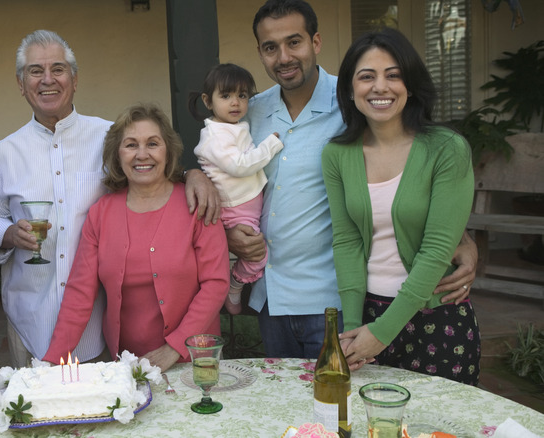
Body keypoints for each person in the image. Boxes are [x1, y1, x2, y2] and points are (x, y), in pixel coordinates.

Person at [226, 0, 478, 359]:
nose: (284, 57)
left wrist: (463, 239)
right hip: (273, 294)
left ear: (316, 42)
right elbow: (218, 165)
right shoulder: (248, 111)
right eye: (271, 47)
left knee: (346, 410)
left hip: (340, 298)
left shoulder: (356, 101)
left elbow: (411, 178)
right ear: (260, 53)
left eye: (294, 42)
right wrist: (196, 181)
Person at [0, 30, 219, 367]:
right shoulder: (2, 154)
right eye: (35, 71)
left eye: (58, 69)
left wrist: (193, 174)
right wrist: (7, 233)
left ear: (75, 79)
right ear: (21, 83)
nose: (47, 79)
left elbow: (151, 168)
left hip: (99, 328)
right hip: (29, 315)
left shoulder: (109, 136)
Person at [322, 27, 480, 384]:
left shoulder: (447, 149)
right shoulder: (337, 154)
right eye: (367, 77)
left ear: (410, 84)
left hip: (438, 318)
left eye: (393, 75)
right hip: (367, 316)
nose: (381, 87)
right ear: (350, 88)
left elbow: (438, 248)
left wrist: (384, 331)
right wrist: (352, 331)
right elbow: (346, 241)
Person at [42, 103, 229, 372]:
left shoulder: (197, 203)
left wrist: (174, 348)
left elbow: (216, 283)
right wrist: (52, 361)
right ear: (117, 154)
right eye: (131, 145)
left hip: (192, 359)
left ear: (168, 150)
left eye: (153, 143)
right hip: (128, 365)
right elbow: (80, 292)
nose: (142, 154)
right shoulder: (101, 214)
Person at [188, 63, 283, 315]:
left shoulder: (234, 126)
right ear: (208, 101)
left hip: (247, 202)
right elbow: (240, 166)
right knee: (258, 256)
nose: (235, 103)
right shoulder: (214, 136)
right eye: (226, 95)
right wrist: (270, 145)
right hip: (235, 207)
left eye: (242, 96)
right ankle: (235, 284)